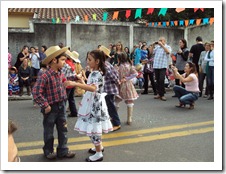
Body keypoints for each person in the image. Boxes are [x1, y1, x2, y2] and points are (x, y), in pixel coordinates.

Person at [64, 50, 113, 162]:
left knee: (93, 127)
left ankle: (98, 153)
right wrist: (81, 80)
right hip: (93, 102)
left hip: (95, 104)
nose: (87, 61)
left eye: (90, 59)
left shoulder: (97, 74)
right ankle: (98, 147)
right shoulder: (94, 72)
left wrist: (76, 83)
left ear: (97, 61)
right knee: (93, 127)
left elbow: (93, 88)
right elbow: (90, 86)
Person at [32, 45, 75, 160]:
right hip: (50, 108)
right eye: (62, 60)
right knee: (49, 131)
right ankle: (48, 151)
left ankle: (63, 150)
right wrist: (45, 105)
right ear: (54, 60)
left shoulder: (60, 72)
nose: (65, 63)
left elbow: (65, 81)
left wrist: (73, 80)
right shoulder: (45, 75)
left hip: (61, 105)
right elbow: (36, 92)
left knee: (63, 129)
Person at [99, 45, 122, 131]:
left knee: (110, 107)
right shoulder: (106, 64)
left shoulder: (105, 65)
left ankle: (117, 123)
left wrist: (116, 82)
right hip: (108, 89)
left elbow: (113, 76)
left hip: (108, 89)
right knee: (108, 106)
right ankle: (110, 121)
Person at [115, 52, 139, 125]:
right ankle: (129, 119)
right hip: (128, 84)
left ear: (119, 59)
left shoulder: (117, 66)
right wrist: (127, 78)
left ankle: (114, 117)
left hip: (119, 84)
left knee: (117, 101)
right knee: (129, 102)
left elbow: (115, 75)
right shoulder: (130, 66)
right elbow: (135, 74)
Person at [149, 37, 172, 101]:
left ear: (164, 41)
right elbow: (150, 52)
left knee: (162, 79)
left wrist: (162, 45)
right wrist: (153, 45)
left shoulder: (167, 47)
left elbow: (168, 52)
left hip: (163, 66)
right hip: (156, 65)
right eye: (159, 40)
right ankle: (159, 93)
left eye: (161, 40)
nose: (159, 41)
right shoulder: (157, 47)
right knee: (157, 80)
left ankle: (162, 94)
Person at [61, 50, 78, 117]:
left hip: (67, 83)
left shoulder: (66, 64)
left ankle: (62, 114)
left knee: (64, 100)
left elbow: (63, 74)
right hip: (72, 83)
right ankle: (74, 112)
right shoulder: (72, 64)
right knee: (71, 99)